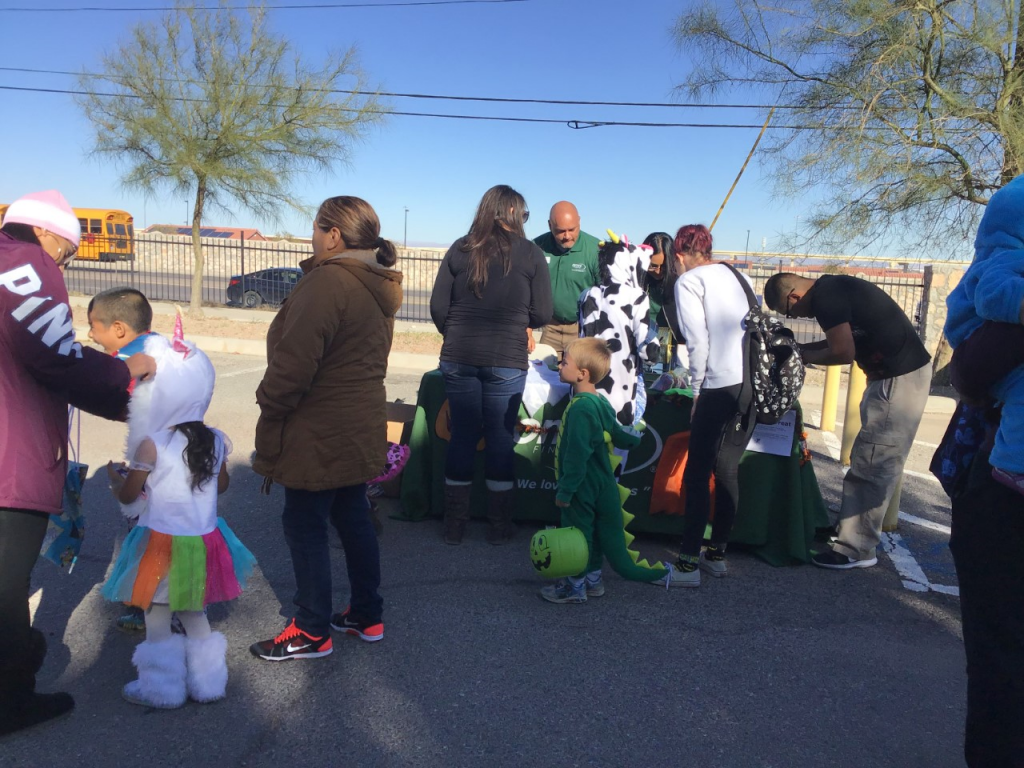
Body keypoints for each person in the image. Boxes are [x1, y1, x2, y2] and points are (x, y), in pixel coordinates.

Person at [0, 190, 156, 736]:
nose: (64, 259)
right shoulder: (25, 268)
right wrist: (125, 378)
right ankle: (11, 698)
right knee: (5, 582)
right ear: (45, 233)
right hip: (8, 457)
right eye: (67, 248)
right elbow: (55, 352)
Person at [251, 196, 402, 660]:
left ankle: (312, 629)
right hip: (358, 422)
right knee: (353, 516)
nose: (311, 237)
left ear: (333, 234)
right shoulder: (376, 284)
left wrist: (269, 405)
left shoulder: (329, 282)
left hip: (317, 429)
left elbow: (293, 367)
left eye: (315, 228)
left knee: (305, 525)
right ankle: (365, 612)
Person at [102, 327, 256, 709]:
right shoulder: (216, 439)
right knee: (193, 611)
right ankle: (209, 684)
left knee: (156, 613)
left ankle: (161, 690)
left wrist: (114, 480)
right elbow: (220, 486)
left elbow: (130, 493)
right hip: (204, 541)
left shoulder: (152, 443)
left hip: (160, 543)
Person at [763, 270, 931, 569]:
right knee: (866, 457)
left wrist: (796, 355)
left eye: (791, 312)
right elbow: (839, 348)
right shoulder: (833, 289)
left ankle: (856, 549)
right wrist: (796, 351)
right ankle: (849, 530)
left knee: (874, 462)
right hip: (890, 377)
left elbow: (841, 352)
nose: (799, 318)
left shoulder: (827, 297)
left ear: (794, 296)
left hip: (898, 379)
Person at [942, 175, 1024, 765]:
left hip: (1006, 487)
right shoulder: (1004, 262)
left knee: (1001, 650)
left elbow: (974, 371)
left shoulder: (1004, 263)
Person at [430, 185, 552, 545]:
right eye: (524, 214)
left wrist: (454, 334)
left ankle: (455, 524)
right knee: (500, 439)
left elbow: (439, 307)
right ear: (513, 214)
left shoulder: (461, 247)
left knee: (463, 436)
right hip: (506, 360)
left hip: (458, 356)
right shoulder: (531, 254)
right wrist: (521, 321)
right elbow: (544, 312)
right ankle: (499, 527)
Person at [540, 337, 685, 604]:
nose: (560, 365)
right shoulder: (600, 402)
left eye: (565, 362)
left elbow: (577, 455)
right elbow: (621, 434)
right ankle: (593, 579)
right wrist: (635, 437)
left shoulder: (581, 408)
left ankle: (575, 586)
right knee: (594, 533)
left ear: (582, 374)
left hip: (583, 486)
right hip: (604, 484)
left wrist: (566, 490)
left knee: (578, 533)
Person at [668, 224, 756, 587]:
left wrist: (696, 389)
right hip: (749, 384)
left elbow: (697, 342)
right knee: (727, 469)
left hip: (718, 385)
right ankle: (716, 554)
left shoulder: (688, 282)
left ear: (679, 256)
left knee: (697, 472)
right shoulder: (738, 275)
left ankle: (688, 563)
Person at [87, 287, 159, 634]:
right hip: (184, 458)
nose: (90, 334)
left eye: (93, 326)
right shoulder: (166, 347)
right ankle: (180, 600)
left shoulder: (123, 364)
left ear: (118, 329)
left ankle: (143, 604)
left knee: (142, 534)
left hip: (149, 463)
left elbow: (116, 399)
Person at [578, 236, 660, 426]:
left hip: (585, 388)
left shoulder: (587, 295)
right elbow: (648, 353)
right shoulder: (636, 297)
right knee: (616, 448)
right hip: (621, 393)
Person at [529, 201, 600, 354]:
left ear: (579, 221)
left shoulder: (595, 250)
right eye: (560, 231)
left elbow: (607, 297)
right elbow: (524, 290)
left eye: (572, 229)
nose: (567, 236)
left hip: (582, 329)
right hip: (549, 329)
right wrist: (527, 327)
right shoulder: (536, 247)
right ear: (549, 226)